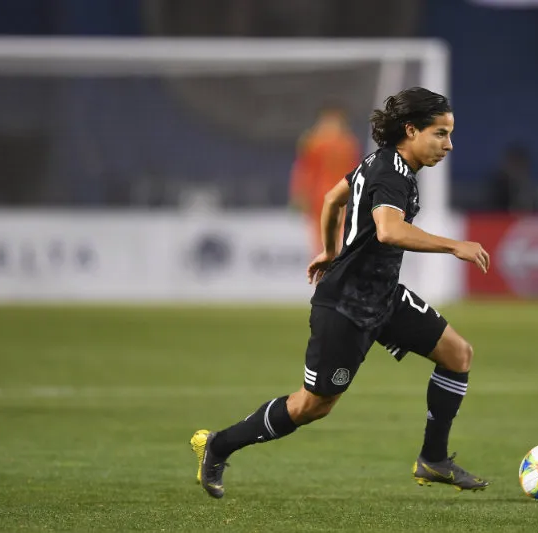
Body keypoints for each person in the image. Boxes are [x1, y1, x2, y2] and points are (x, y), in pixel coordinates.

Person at [190, 87, 491, 498]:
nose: (449, 144)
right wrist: (454, 244)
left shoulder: (380, 162)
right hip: (346, 306)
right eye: (440, 133)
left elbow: (334, 198)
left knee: (458, 354)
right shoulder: (390, 173)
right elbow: (388, 229)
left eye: (449, 134)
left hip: (382, 296)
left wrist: (332, 249)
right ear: (411, 130)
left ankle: (433, 459)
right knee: (312, 405)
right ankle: (218, 445)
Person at [289, 103, 360, 255]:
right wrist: (300, 195)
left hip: (338, 196)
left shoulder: (346, 143)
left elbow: (354, 170)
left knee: (337, 237)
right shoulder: (314, 142)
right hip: (320, 197)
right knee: (323, 239)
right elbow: (304, 170)